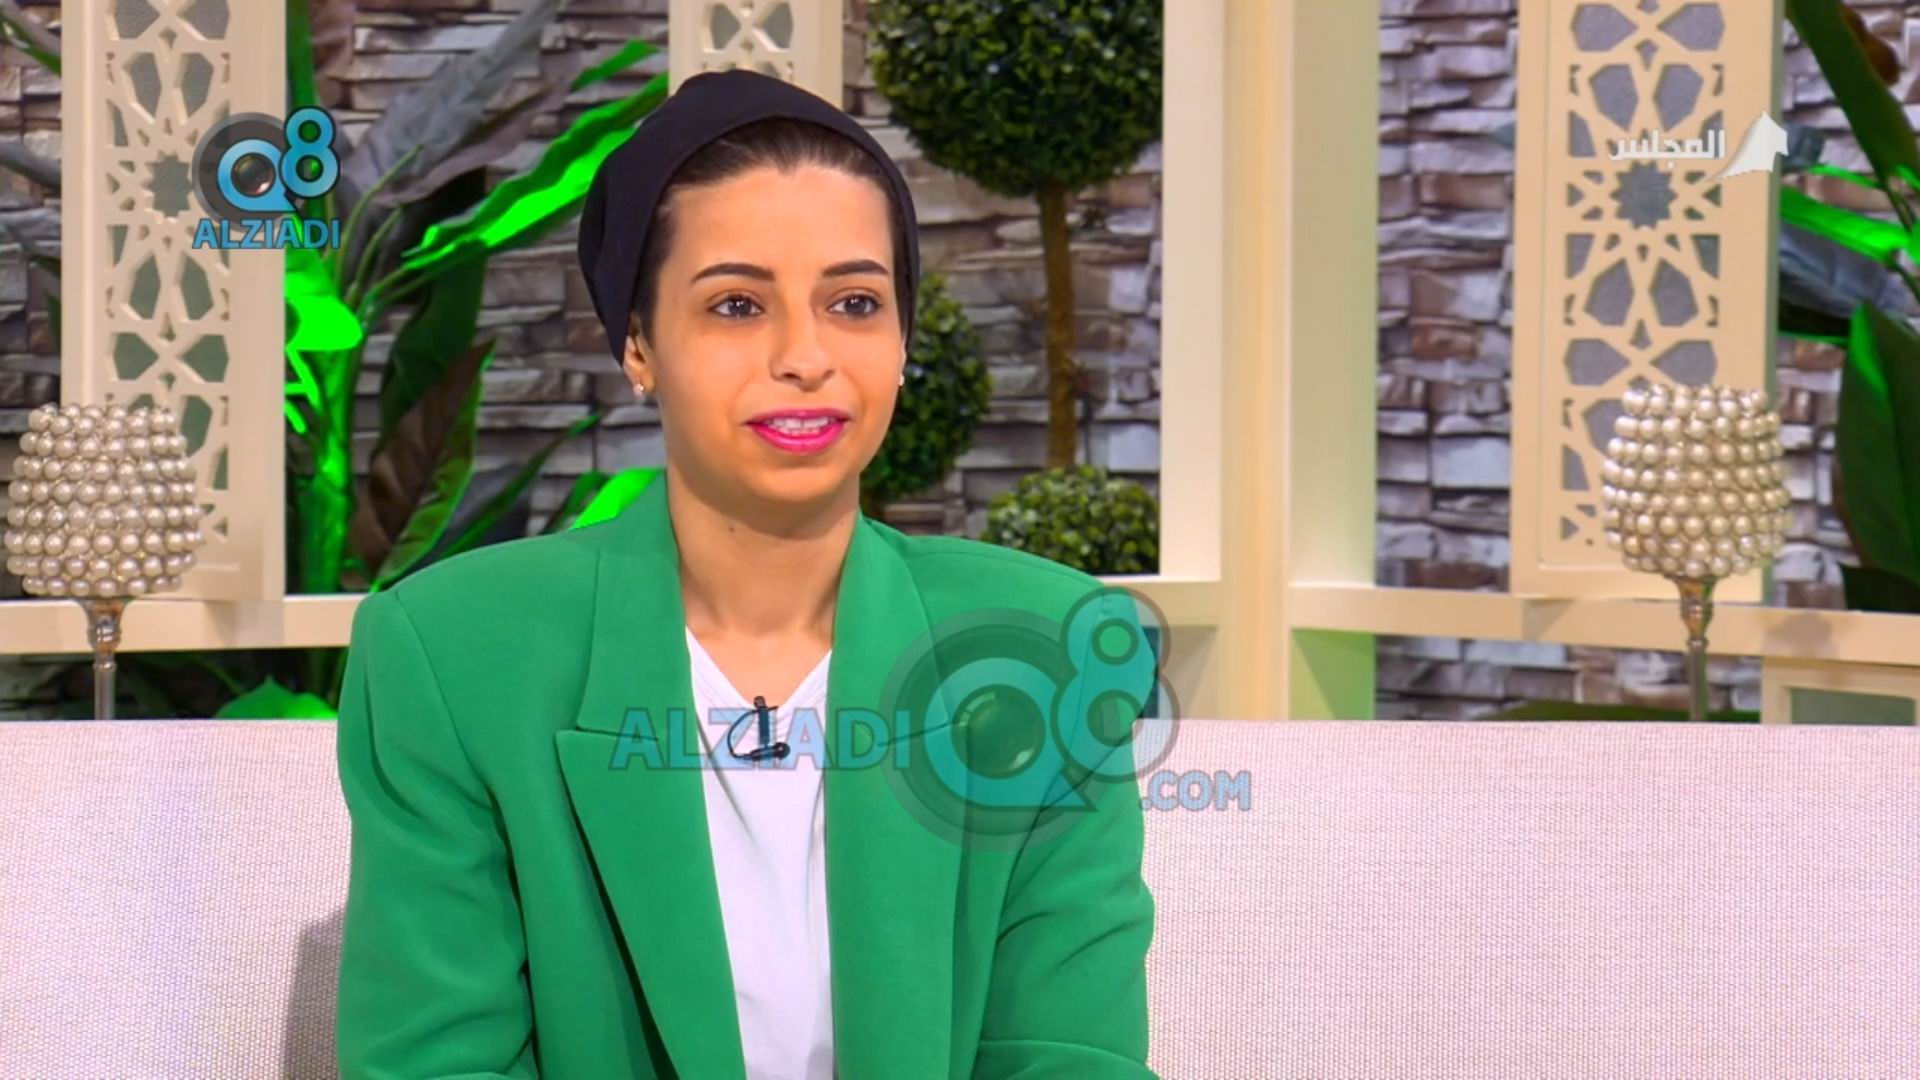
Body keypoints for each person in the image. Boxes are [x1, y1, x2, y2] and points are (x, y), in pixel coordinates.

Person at [334, 68, 1160, 1080]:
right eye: (736, 305)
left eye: (854, 302)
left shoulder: (1044, 653)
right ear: (638, 344)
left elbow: (1070, 1058)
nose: (805, 357)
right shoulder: (453, 656)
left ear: (902, 339)